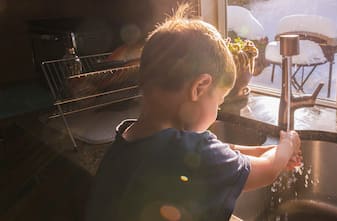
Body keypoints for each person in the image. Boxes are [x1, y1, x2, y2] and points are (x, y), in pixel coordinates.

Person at [84, 4, 302, 221]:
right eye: (218, 102)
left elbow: (222, 150)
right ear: (199, 88)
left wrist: (264, 150)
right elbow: (268, 170)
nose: (217, 111)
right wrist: (287, 144)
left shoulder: (128, 138)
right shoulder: (190, 152)